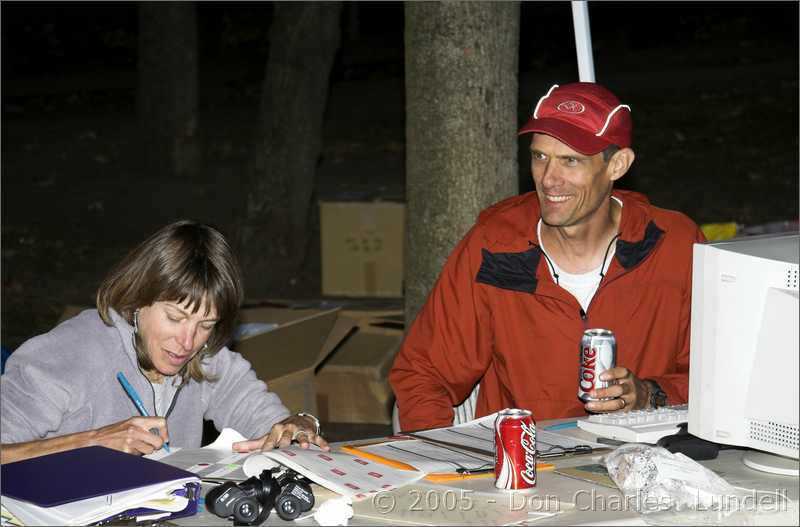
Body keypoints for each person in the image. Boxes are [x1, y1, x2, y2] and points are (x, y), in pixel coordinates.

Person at [389, 82, 706, 432]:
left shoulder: (672, 245)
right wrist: (441, 465)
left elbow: (719, 376)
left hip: (643, 457)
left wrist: (649, 394)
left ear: (617, 165)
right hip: (524, 467)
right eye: (540, 157)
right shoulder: (497, 245)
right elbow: (422, 373)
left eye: (570, 161)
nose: (549, 180)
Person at [1, 220, 328, 464]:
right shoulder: (71, 353)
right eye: (175, 318)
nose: (187, 341)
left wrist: (296, 425)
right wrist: (91, 442)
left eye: (206, 324)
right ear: (137, 299)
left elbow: (267, 421)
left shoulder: (206, 357)